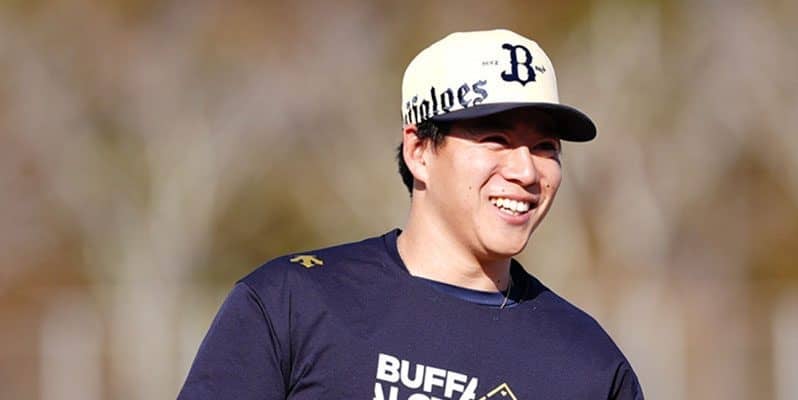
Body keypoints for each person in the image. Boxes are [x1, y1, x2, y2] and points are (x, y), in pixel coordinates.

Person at [178, 28, 643, 400]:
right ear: (419, 151)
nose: (525, 171)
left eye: (545, 147)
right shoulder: (292, 302)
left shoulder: (589, 366)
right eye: (495, 140)